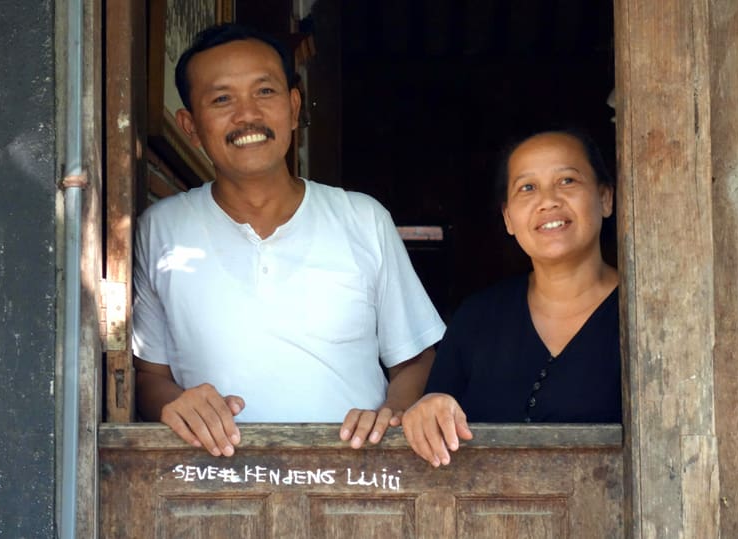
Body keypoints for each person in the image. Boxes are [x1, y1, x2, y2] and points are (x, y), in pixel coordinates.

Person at [132, 23, 445, 458]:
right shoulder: (161, 229)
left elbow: (415, 356)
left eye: (265, 92)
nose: (247, 115)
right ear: (191, 127)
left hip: (353, 480)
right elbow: (148, 374)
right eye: (222, 99)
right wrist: (173, 404)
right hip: (214, 485)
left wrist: (391, 415)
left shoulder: (362, 218)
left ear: (294, 107)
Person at [401, 129, 621, 467]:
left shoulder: (646, 316)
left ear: (605, 198)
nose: (548, 200)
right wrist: (428, 407)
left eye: (567, 181)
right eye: (527, 188)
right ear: (508, 218)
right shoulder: (477, 319)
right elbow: (434, 407)